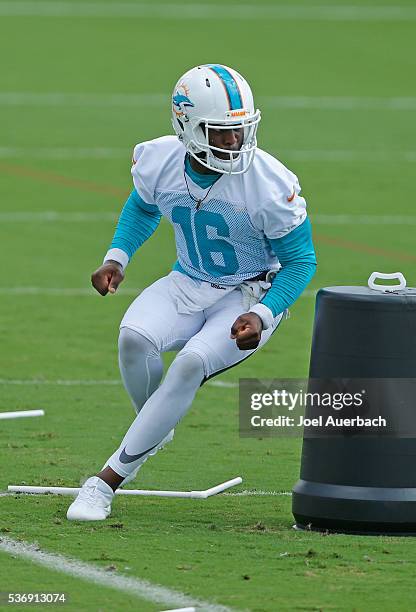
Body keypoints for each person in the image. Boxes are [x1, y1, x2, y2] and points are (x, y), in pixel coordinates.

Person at [67, 64, 317, 521]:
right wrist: (116, 258)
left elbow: (302, 262)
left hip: (249, 291)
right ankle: (153, 428)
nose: (235, 143)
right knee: (132, 339)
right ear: (186, 126)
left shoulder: (269, 182)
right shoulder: (160, 160)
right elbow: (143, 208)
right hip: (190, 279)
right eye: (221, 133)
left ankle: (104, 484)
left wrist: (263, 313)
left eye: (240, 131)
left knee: (190, 364)